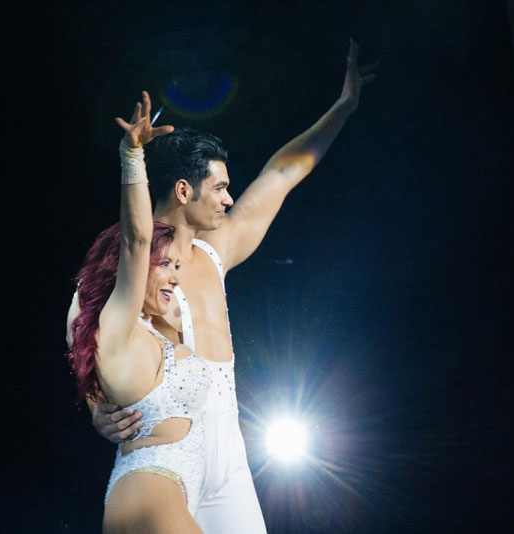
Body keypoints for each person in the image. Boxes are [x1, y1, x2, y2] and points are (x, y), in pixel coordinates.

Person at [75, 41, 376, 533]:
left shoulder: (218, 250)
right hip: (164, 453)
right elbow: (84, 329)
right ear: (183, 191)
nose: (229, 199)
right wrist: (94, 409)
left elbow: (282, 173)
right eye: (218, 188)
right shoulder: (130, 266)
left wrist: (343, 108)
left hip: (228, 456)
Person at [68, 92, 210, 533]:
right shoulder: (117, 326)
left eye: (177, 267)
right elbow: (135, 239)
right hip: (152, 497)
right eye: (164, 265)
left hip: (154, 496)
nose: (174, 278)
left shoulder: (146, 330)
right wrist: (133, 157)